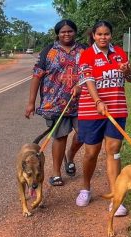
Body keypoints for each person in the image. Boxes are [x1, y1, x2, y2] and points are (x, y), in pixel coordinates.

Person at [73, 20, 131, 216]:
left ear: (111, 35)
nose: (103, 37)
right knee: (91, 152)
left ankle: (115, 198)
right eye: (99, 34)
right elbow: (88, 80)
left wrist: (128, 72)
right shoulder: (87, 55)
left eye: (106, 34)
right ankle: (85, 188)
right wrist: (98, 101)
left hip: (116, 109)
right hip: (92, 110)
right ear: (93, 35)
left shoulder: (119, 52)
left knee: (113, 151)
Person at [25, 19, 86, 186]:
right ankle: (57, 173)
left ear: (75, 32)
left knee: (83, 134)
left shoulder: (84, 50)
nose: (66, 34)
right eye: (63, 32)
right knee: (60, 137)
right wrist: (31, 102)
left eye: (70, 31)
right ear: (57, 34)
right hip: (55, 103)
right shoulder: (48, 51)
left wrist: (81, 86)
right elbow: (37, 75)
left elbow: (92, 73)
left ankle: (71, 156)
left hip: (81, 101)